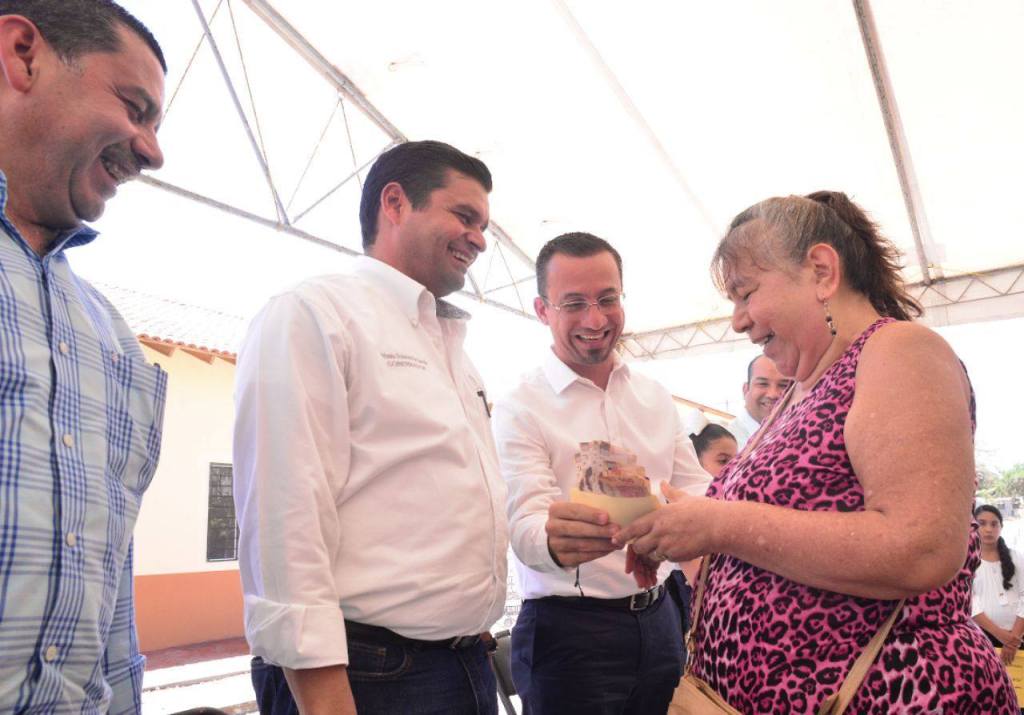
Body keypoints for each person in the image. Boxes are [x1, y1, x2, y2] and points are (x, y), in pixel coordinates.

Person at [616, 191, 1018, 712]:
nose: (737, 320)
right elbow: (778, 545)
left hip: (894, 695)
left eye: (746, 293)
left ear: (822, 272)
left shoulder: (899, 350)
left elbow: (921, 549)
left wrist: (717, 524)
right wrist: (678, 534)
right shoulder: (798, 392)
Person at [233, 140, 507, 715]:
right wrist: (325, 699)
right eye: (465, 216)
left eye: (483, 226)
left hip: (462, 663)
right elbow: (286, 516)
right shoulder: (315, 313)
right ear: (396, 203)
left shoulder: (455, 354)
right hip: (368, 673)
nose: (480, 239)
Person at [0, 1, 168, 712]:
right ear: (22, 54)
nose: (152, 151)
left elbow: (111, 604)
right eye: (135, 107)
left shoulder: (116, 343)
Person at [492, 232, 709, 714]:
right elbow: (525, 524)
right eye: (574, 304)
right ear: (542, 310)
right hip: (568, 634)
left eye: (607, 299)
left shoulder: (654, 395)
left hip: (661, 618)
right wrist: (555, 541)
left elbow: (696, 490)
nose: (595, 319)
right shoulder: (520, 407)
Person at [973, 505, 1024, 665]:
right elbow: (970, 603)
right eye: (982, 523)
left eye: (994, 524)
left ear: (1001, 527)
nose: (989, 529)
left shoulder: (1016, 557)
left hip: (1019, 636)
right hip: (983, 636)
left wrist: (1014, 637)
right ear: (973, 526)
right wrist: (1000, 635)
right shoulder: (967, 561)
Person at [726, 354, 791, 448]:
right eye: (763, 384)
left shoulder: (799, 435)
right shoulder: (726, 444)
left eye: (783, 385)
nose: (773, 394)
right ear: (745, 390)